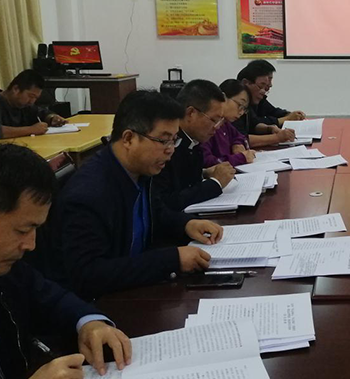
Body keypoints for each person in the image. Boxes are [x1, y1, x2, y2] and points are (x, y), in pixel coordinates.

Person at [0, 144, 132, 379]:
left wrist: (90, 323)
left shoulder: (1, 266)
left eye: (36, 229)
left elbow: (51, 296)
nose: (31, 244)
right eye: (22, 230)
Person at [47, 90, 220, 300]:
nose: (171, 150)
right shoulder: (88, 194)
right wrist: (171, 260)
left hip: (138, 287)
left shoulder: (140, 170)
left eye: (174, 140)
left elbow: (155, 213)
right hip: (105, 304)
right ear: (128, 138)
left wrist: (186, 224)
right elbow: (89, 274)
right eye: (163, 140)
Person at [154, 80, 235, 211]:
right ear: (191, 113)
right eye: (214, 120)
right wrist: (215, 183)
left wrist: (204, 173)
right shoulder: (165, 144)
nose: (217, 127)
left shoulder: (193, 141)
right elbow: (166, 201)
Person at [0, 70, 66, 143]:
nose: (32, 101)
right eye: (31, 96)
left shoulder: (24, 105)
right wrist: (31, 130)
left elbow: (41, 112)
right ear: (16, 89)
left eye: (35, 98)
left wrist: (52, 118)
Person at [236, 59, 305, 130]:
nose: (264, 91)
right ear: (245, 83)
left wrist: (291, 115)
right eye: (261, 86)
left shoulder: (258, 99)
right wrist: (286, 119)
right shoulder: (238, 104)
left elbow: (273, 111)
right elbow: (254, 124)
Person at [201, 79, 256, 168]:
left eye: (244, 109)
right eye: (240, 105)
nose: (241, 112)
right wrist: (240, 158)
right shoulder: (207, 125)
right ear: (224, 98)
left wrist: (237, 144)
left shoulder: (225, 124)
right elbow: (206, 162)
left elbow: (240, 137)